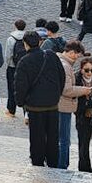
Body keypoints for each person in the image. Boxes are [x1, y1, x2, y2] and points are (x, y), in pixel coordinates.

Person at [15, 31, 66, 167]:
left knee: (37, 138)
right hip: (52, 105)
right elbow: (62, 76)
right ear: (39, 42)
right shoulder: (51, 55)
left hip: (35, 107)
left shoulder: (24, 61)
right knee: (52, 137)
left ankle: (38, 164)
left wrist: (21, 102)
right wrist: (57, 94)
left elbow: (20, 85)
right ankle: (53, 163)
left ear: (25, 44)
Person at [56, 40, 92, 170]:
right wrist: (84, 90)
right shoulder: (65, 66)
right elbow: (66, 90)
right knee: (64, 139)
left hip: (61, 105)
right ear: (71, 53)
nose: (78, 58)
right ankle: (62, 165)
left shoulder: (61, 62)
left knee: (61, 138)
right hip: (63, 106)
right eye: (77, 55)